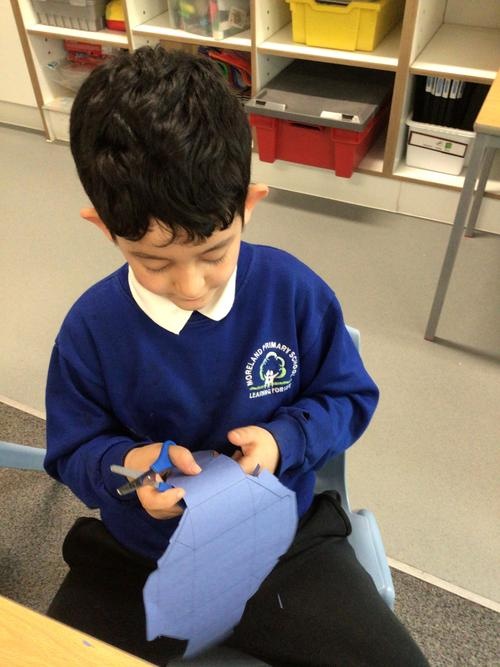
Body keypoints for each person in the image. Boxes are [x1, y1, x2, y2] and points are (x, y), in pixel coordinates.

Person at [44, 46, 429, 666]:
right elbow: (71, 451)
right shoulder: (91, 329)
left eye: (214, 252)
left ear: (249, 205)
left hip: (282, 545)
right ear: (104, 228)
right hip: (142, 556)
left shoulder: (293, 292)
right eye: (153, 262)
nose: (191, 286)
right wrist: (129, 468)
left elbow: (348, 396)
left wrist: (283, 441)